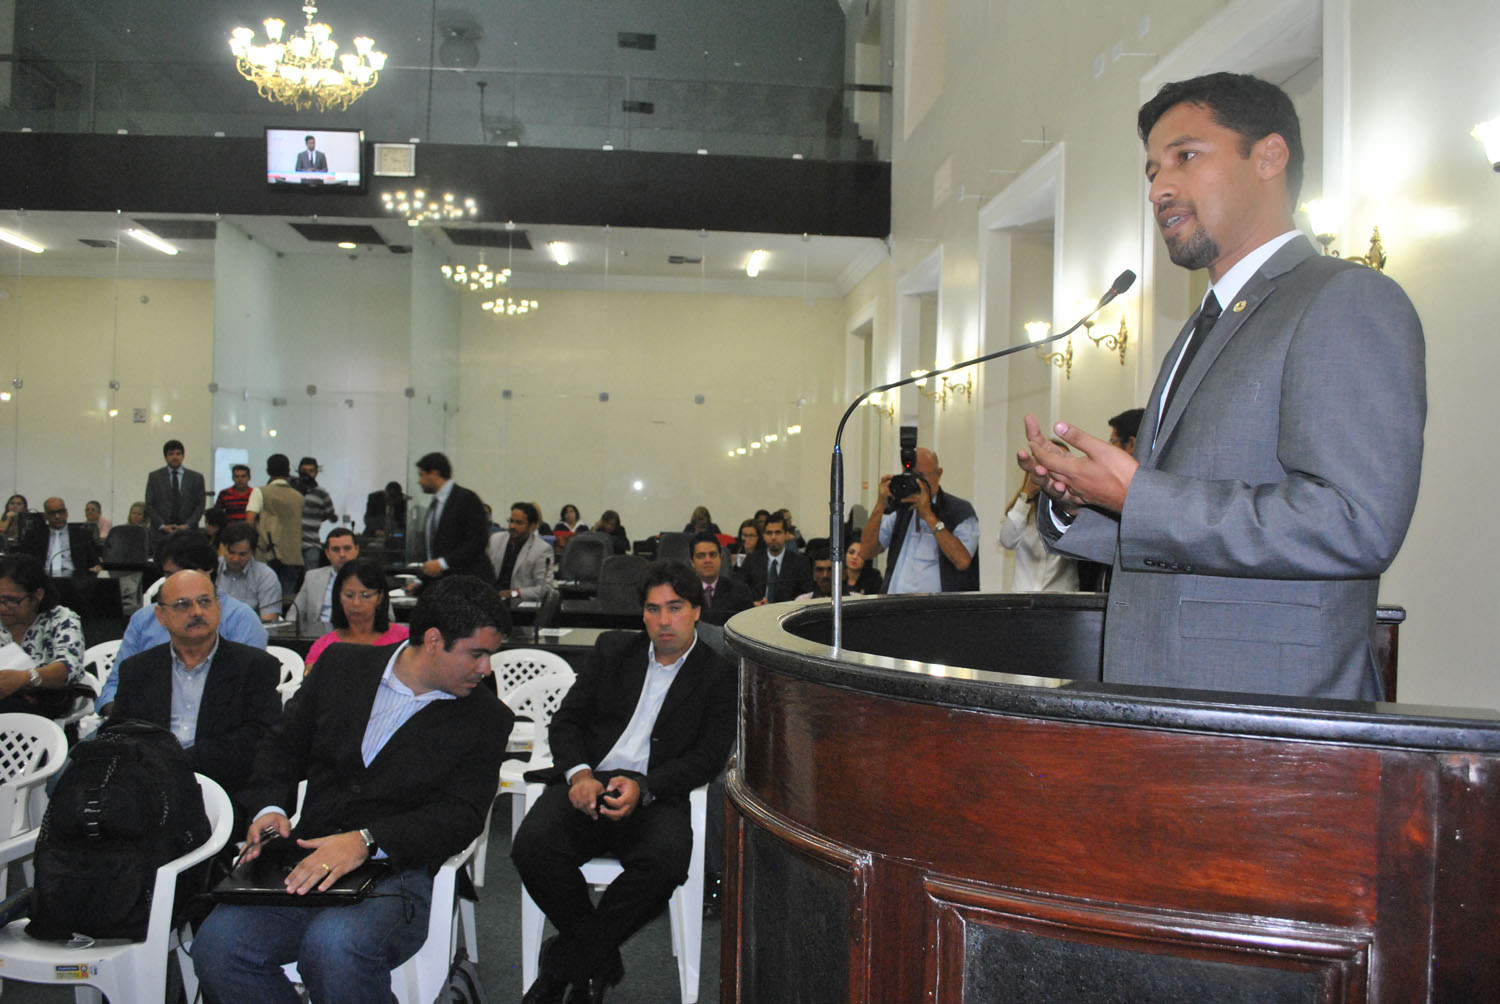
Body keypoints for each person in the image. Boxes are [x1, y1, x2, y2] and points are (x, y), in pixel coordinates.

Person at [1017, 72, 1425, 702]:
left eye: (1185, 156)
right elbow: (1173, 535)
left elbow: (1355, 523)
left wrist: (1138, 496)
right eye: (1152, 170)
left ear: (1269, 156)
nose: (1160, 187)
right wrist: (1080, 503)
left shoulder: (1344, 297)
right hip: (1161, 696)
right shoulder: (1204, 325)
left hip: (1269, 712)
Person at [190, 576, 513, 1004]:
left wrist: (367, 840)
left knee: (332, 948)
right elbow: (281, 747)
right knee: (217, 948)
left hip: (397, 876)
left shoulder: (485, 719)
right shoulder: (341, 666)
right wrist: (269, 807)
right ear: (433, 640)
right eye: (477, 653)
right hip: (304, 862)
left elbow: (461, 817)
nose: (486, 668)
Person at [511, 561, 735, 1004]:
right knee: (531, 848)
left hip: (655, 792)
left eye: (674, 608)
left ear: (696, 610)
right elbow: (567, 722)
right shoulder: (613, 652)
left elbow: (708, 757)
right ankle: (599, 961)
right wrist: (579, 774)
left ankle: (562, 966)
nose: (663, 620)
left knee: (667, 863)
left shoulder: (719, 672)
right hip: (589, 782)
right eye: (653, 609)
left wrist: (647, 787)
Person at [108, 569, 282, 813]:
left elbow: (261, 738)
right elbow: (120, 734)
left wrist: (180, 762)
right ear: (161, 616)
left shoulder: (254, 666)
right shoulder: (138, 670)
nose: (197, 612)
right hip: (149, 794)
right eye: (182, 605)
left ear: (218, 607)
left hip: (225, 792)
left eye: (204, 602)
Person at [97, 530, 269, 714]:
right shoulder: (145, 619)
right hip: (144, 724)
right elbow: (115, 685)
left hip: (214, 724)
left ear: (209, 570)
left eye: (186, 574)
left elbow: (248, 693)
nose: (178, 584)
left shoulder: (241, 619)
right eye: (169, 575)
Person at [859, 446, 980, 594]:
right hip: (895, 607)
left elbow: (962, 561)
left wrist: (929, 515)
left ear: (939, 474)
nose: (916, 481)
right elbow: (866, 552)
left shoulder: (960, 510)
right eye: (911, 475)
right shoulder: (900, 508)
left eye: (922, 475)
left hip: (938, 612)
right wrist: (880, 505)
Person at [0, 554, 84, 718]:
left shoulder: (60, 619)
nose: (3, 608)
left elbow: (69, 667)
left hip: (46, 713)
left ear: (37, 594)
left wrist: (26, 678)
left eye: (11, 600)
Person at [304, 559, 409, 669]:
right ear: (338, 596)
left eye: (365, 595)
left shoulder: (402, 639)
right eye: (349, 595)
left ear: (380, 597)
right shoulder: (324, 645)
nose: (356, 603)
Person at [411, 451, 492, 586]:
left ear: (434, 474)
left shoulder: (466, 499)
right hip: (442, 583)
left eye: (422, 475)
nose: (419, 481)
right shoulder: (435, 504)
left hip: (467, 582)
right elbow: (434, 549)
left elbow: (477, 541)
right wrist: (421, 579)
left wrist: (443, 563)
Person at [998, 479, 1079, 592]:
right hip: (1023, 597)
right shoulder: (1024, 511)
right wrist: (1026, 494)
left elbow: (1072, 550)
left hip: (1060, 599)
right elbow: (1007, 541)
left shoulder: (1073, 512)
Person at [249, 454, 304, 597]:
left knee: (267, 596)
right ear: (288, 472)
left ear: (268, 471)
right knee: (287, 598)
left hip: (267, 553)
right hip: (293, 554)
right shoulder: (299, 497)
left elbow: (249, 520)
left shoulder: (260, 492)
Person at [289, 527, 360, 633]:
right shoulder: (312, 577)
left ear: (356, 550)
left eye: (347, 548)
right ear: (327, 553)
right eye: (336, 550)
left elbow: (387, 619)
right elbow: (294, 614)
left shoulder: (371, 577)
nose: (342, 554)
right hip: (316, 638)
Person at [20, 497, 101, 582]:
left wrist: (97, 567)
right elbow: (25, 562)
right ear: (46, 516)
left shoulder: (83, 535)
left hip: (75, 581)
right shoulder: (34, 535)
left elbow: (94, 562)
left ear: (66, 513)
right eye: (52, 513)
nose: (57, 516)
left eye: (60, 512)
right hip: (43, 580)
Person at [488, 501, 554, 606]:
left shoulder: (542, 549)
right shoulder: (495, 540)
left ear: (532, 526)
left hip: (518, 606)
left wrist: (514, 593)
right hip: (491, 600)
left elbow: (544, 589)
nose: (512, 526)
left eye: (519, 523)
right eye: (511, 521)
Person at [741, 511, 813, 604]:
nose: (773, 537)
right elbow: (741, 590)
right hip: (756, 612)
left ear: (786, 535)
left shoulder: (800, 562)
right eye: (769, 533)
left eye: (778, 532)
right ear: (763, 535)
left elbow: (805, 596)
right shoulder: (751, 560)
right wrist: (753, 603)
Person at [217, 521, 283, 623]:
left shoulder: (266, 576)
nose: (235, 559)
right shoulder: (210, 569)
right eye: (231, 552)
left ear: (252, 552)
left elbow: (269, 621)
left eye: (242, 554)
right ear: (223, 548)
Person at [690, 531, 753, 626]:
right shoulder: (684, 592)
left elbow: (748, 628)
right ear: (692, 562)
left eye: (712, 555)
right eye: (701, 556)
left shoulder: (740, 591)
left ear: (720, 558)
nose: (708, 560)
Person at [144, 438, 205, 535]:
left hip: (188, 533)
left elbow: (200, 505)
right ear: (165, 457)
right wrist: (162, 526)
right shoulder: (155, 477)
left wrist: (187, 525)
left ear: (183, 456)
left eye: (178, 454)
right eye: (171, 454)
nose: (175, 457)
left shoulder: (196, 478)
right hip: (161, 533)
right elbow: (149, 504)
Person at [293, 457, 336, 569]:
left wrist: (316, 518)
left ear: (316, 473)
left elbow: (330, 514)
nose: (307, 474)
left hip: (311, 542)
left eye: (311, 471)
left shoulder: (321, 493)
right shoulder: (290, 490)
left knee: (312, 576)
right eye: (304, 470)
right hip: (291, 542)